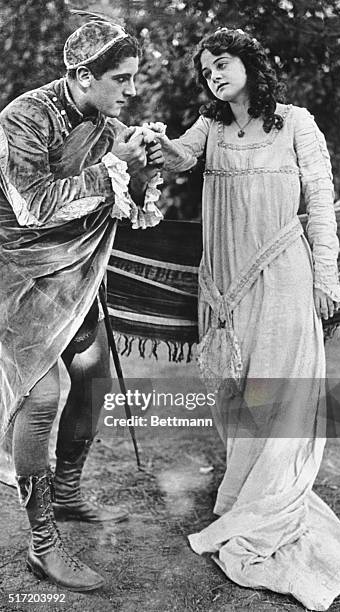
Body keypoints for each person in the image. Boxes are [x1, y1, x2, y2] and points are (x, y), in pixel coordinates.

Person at [145, 28, 340, 611]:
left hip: (283, 271)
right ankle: (246, 492)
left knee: (282, 390)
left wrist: (326, 281)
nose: (214, 76)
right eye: (206, 71)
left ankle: (273, 499)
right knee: (239, 391)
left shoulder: (296, 122)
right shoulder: (212, 128)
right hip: (226, 283)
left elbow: (321, 207)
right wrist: (157, 146)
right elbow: (182, 155)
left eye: (222, 64)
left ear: (251, 64)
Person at [0, 20, 164, 592]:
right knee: (40, 399)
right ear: (81, 75)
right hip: (17, 274)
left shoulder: (104, 124)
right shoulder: (23, 117)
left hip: (73, 276)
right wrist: (110, 165)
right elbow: (36, 206)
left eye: (133, 79)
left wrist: (142, 168)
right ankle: (43, 544)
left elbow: (123, 208)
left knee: (92, 377)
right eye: (120, 79)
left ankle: (66, 496)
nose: (130, 91)